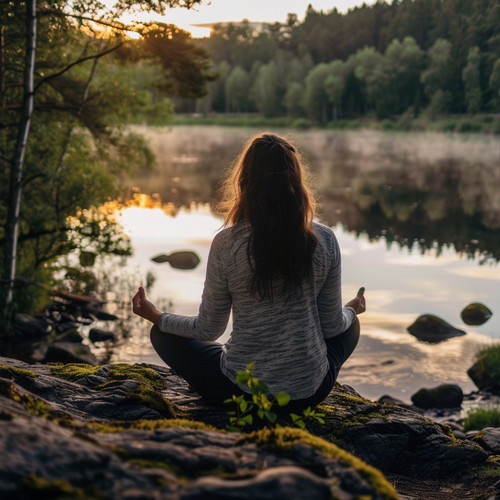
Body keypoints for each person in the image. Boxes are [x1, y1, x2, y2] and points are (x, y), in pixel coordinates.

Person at [132, 132, 365, 410]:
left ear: (245, 182)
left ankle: (208, 379)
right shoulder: (325, 239)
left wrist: (154, 315)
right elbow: (332, 326)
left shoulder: (227, 244)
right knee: (351, 327)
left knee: (162, 333)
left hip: (243, 392)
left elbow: (208, 329)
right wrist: (352, 309)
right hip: (310, 393)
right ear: (296, 182)